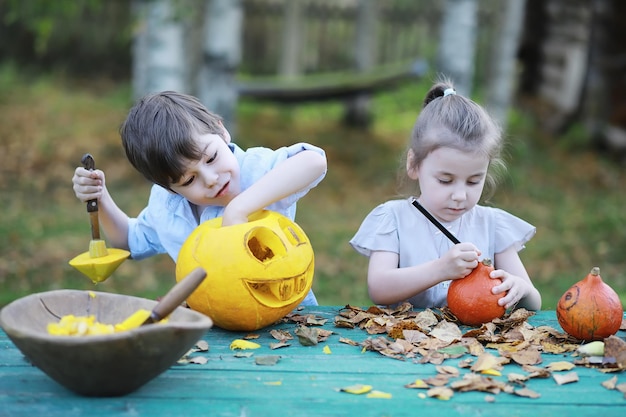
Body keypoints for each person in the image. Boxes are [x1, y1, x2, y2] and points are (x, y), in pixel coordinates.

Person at [72, 91, 327, 305]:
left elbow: (313, 161)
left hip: (286, 314)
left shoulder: (255, 169)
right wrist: (100, 197)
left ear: (221, 131)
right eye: (189, 180)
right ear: (170, 188)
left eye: (212, 157)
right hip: (211, 328)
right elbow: (128, 241)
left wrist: (239, 207)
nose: (211, 179)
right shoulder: (166, 206)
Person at [349, 80, 542, 311]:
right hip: (405, 341)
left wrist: (520, 288)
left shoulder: (492, 225)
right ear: (414, 165)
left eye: (473, 181)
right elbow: (379, 289)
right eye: (445, 180)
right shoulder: (392, 219)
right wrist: (440, 269)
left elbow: (534, 303)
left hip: (475, 342)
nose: (460, 195)